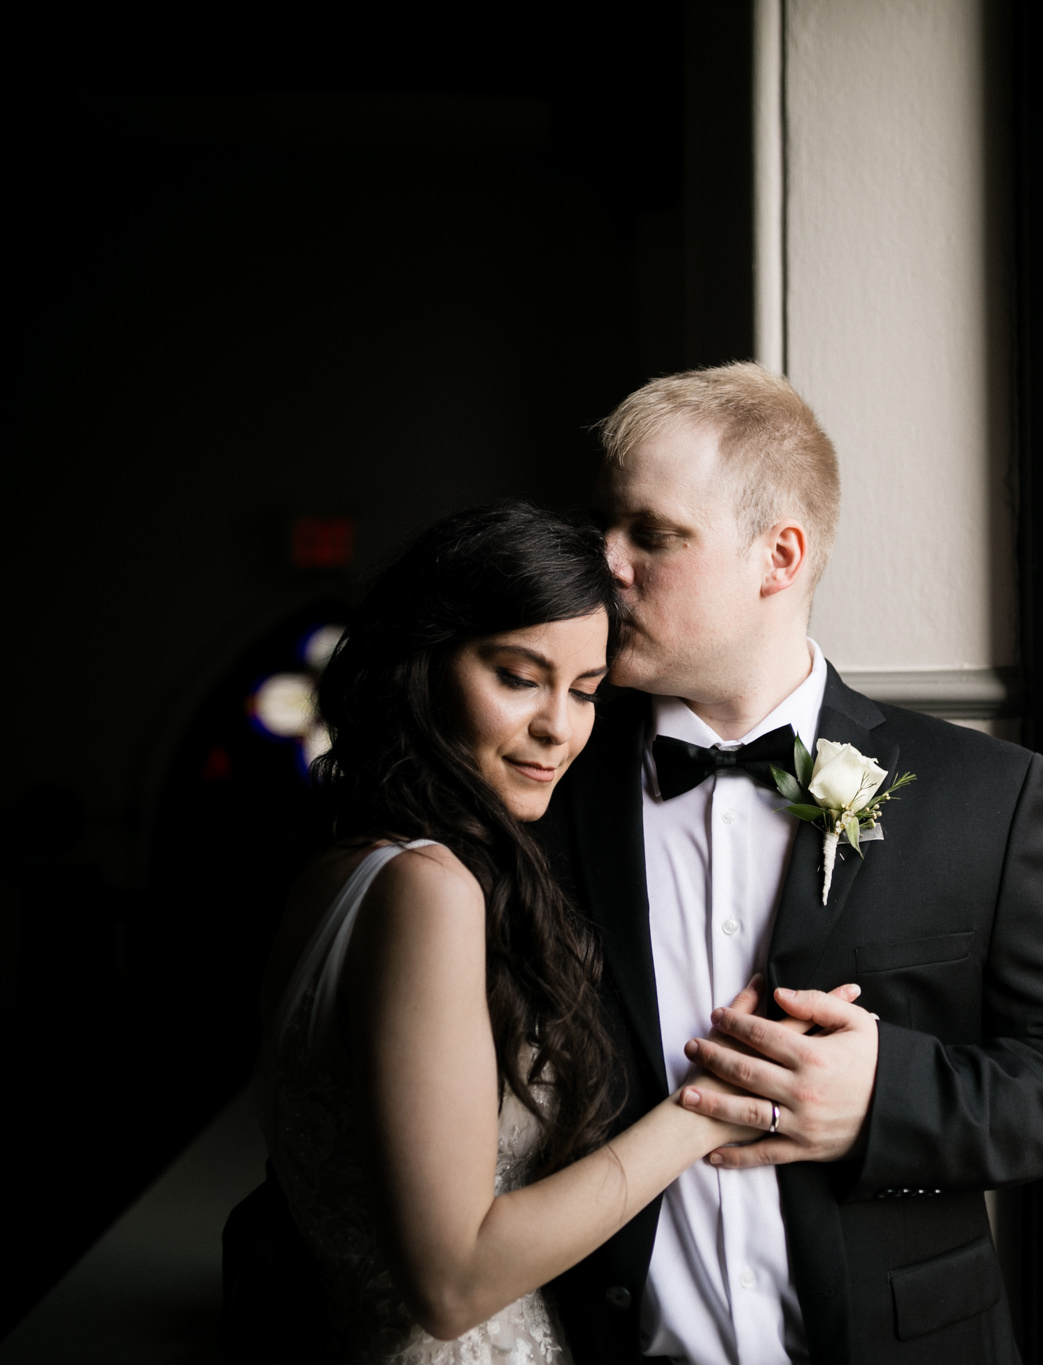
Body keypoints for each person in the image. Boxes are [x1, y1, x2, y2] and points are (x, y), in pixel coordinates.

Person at [544, 364, 1043, 1364]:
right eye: (601, 528)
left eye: (651, 534)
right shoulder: (549, 785)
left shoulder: (976, 794)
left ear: (777, 557)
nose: (602, 565)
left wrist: (885, 1101)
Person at [246, 502, 850, 1363]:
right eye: (518, 676)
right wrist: (702, 1113)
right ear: (423, 664)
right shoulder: (427, 889)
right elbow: (450, 1282)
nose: (557, 729)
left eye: (585, 690)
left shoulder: (343, 864)